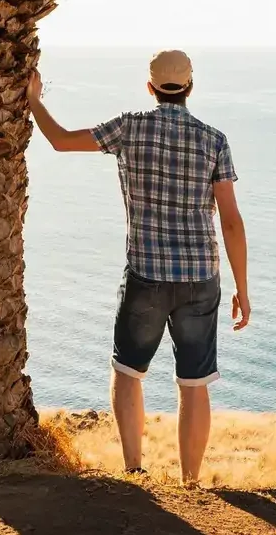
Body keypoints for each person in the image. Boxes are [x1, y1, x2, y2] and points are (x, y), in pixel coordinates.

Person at [28, 49, 250, 485]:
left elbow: (60, 139)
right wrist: (242, 288)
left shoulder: (129, 127)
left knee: (128, 372)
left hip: (146, 274)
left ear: (150, 88)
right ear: (190, 86)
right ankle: (191, 483)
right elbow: (231, 220)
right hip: (200, 279)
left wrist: (34, 100)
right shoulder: (214, 140)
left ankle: (134, 472)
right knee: (195, 382)